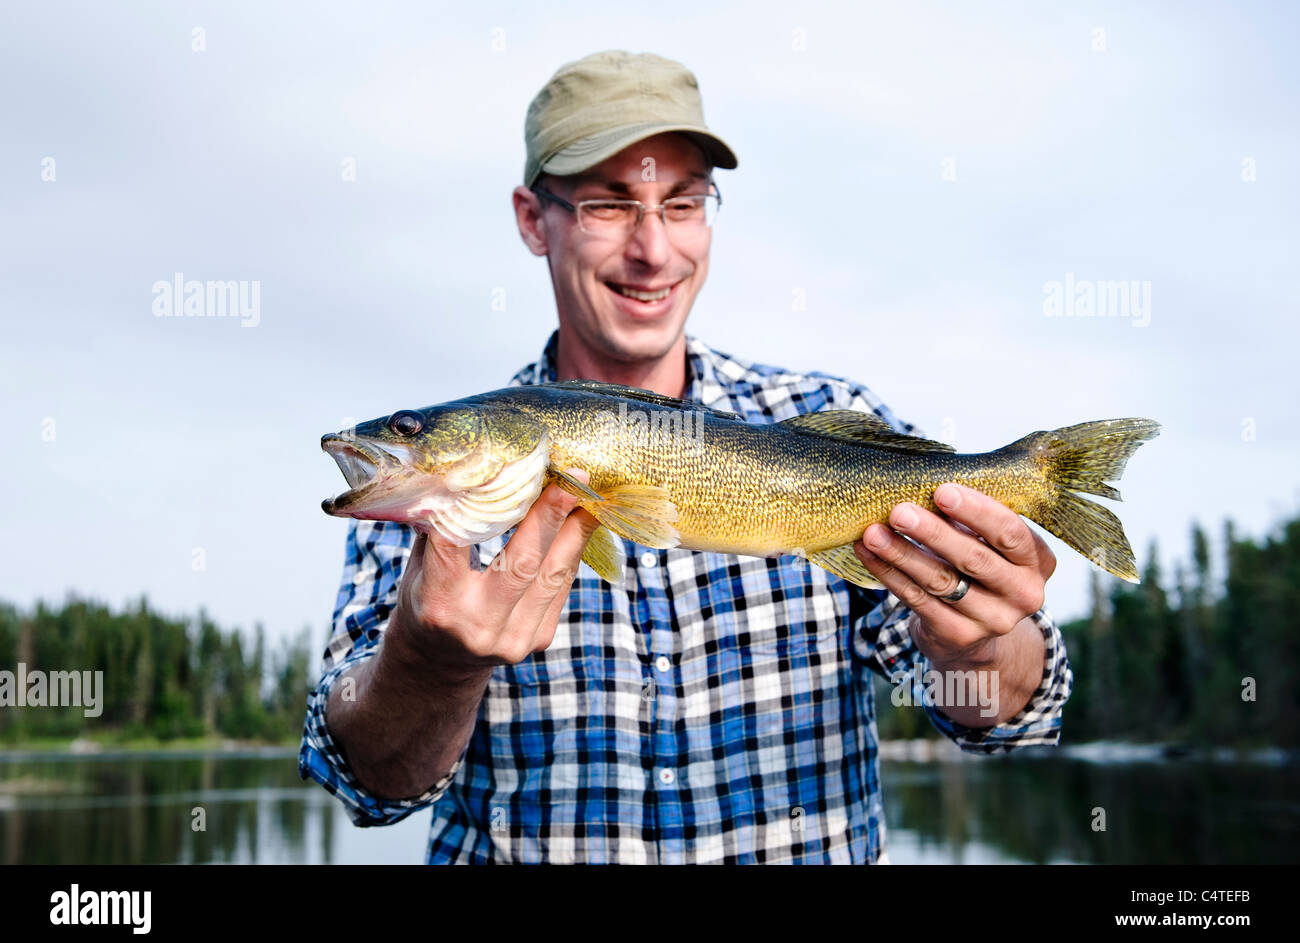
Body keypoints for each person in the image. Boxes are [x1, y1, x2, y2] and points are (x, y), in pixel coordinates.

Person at [299, 50, 1072, 864]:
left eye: (684, 202)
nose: (654, 250)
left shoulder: (822, 417)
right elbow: (363, 782)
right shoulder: (430, 506)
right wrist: (430, 667)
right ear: (534, 219)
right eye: (607, 204)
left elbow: (1002, 719)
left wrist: (979, 644)